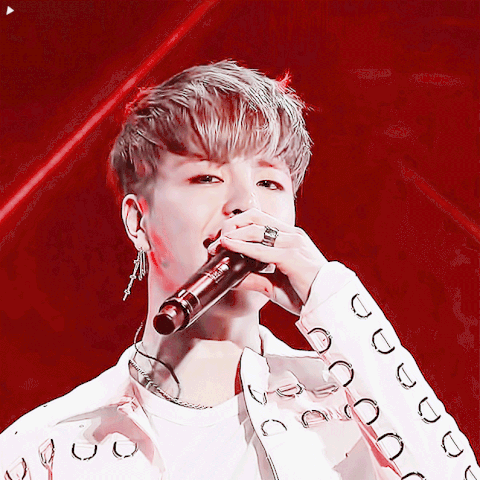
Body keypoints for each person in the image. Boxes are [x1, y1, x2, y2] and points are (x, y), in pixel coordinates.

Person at [0, 60, 477, 479]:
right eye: (207, 176)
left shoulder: (352, 406)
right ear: (138, 221)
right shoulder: (49, 445)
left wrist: (332, 300)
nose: (246, 203)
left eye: (270, 182)